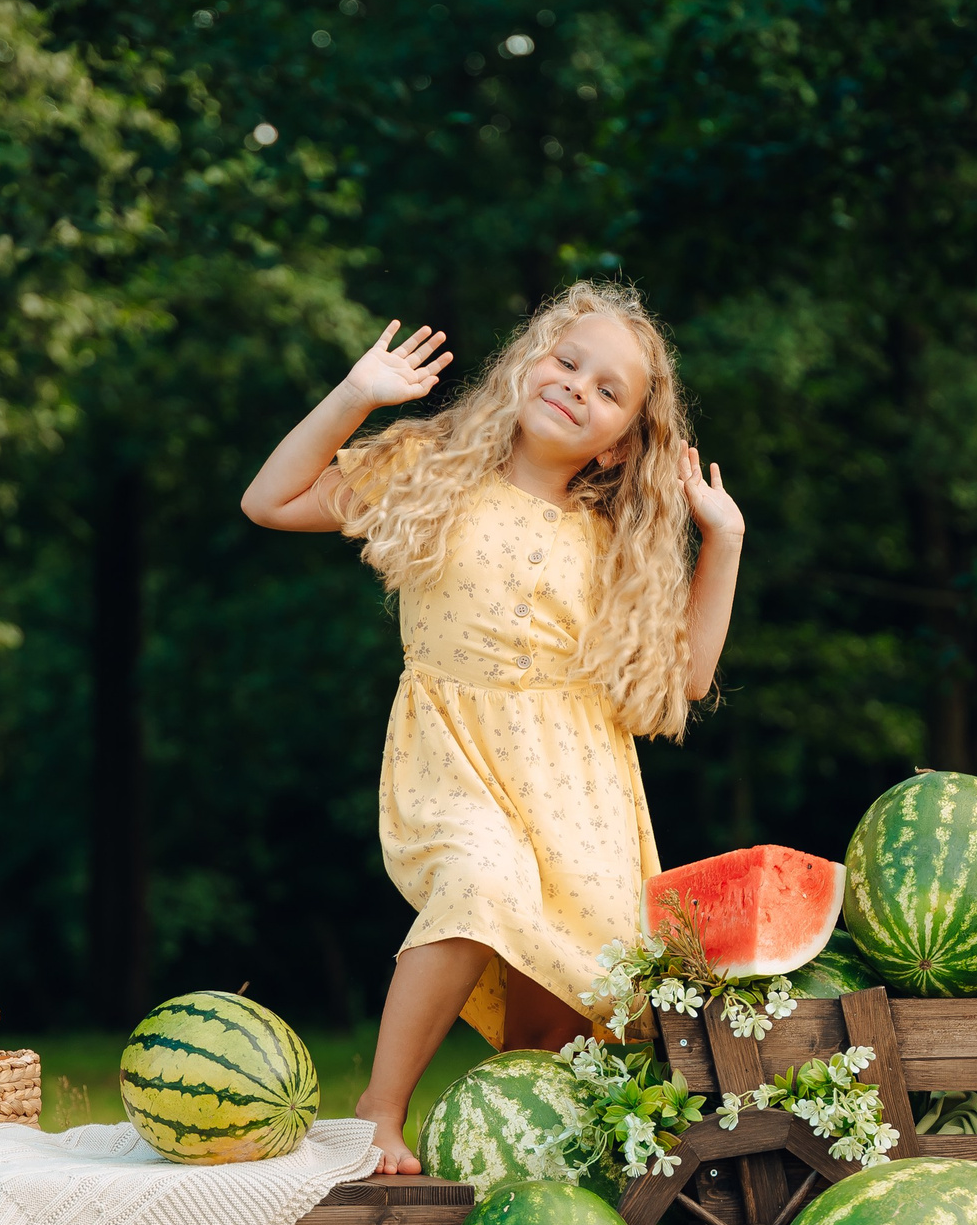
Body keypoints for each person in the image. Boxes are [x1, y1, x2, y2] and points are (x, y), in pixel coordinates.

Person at [240, 281, 745, 1173]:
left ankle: (517, 1186)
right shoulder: (432, 471)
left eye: (608, 390)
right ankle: (379, 1109)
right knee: (478, 880)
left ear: (620, 441)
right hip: (455, 760)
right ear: (526, 361)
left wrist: (724, 544)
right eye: (568, 360)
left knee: (556, 1027)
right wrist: (357, 394)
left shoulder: (614, 542)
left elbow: (691, 676)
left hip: (577, 792)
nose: (578, 386)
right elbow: (270, 500)